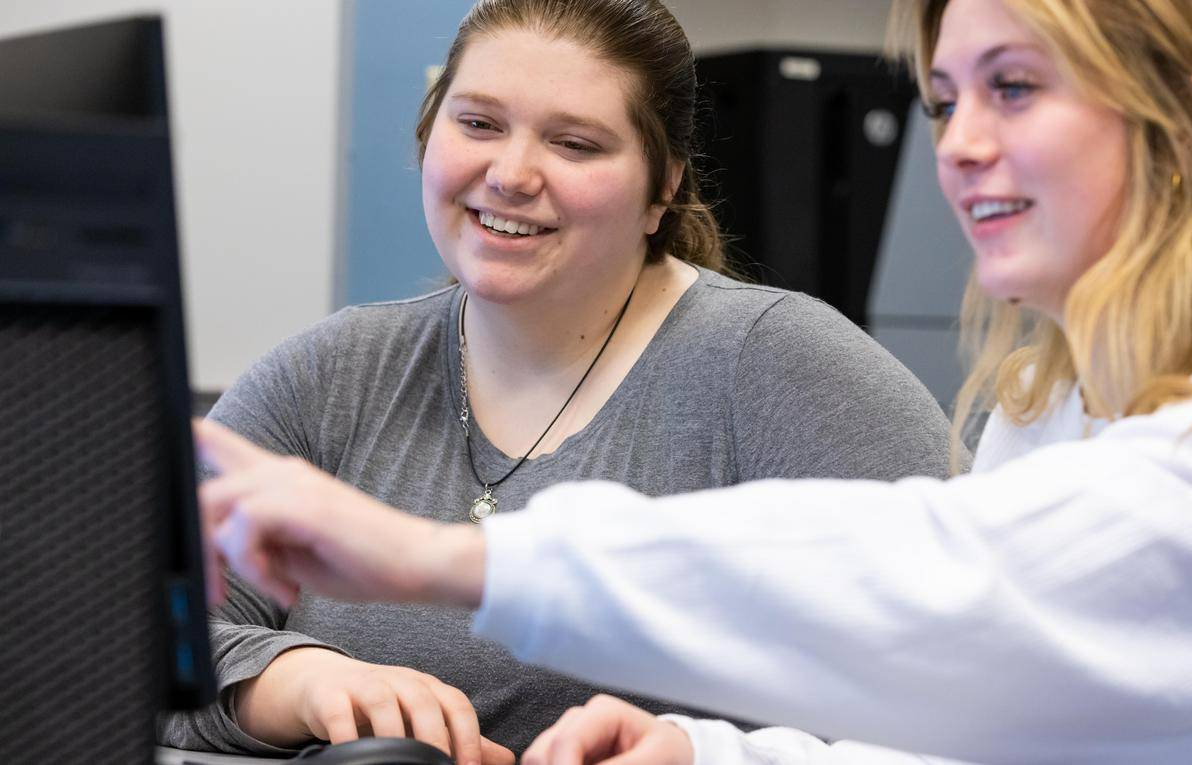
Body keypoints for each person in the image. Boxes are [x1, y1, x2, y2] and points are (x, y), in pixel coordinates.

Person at [194, 0, 1192, 762]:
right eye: (947, 100)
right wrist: (710, 755)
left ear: (1189, 126)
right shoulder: (1048, 411)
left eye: (1014, 88)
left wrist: (442, 558)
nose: (954, 144)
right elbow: (964, 733)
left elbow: (931, 592)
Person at [160, 0, 955, 761]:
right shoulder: (330, 371)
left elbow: (968, 671)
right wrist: (298, 680)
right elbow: (128, 631)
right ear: (426, 134)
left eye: (574, 144)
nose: (510, 173)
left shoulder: (784, 367)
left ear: (663, 185)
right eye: (477, 123)